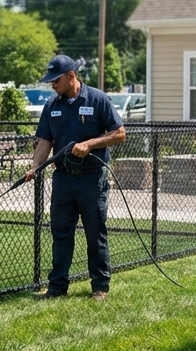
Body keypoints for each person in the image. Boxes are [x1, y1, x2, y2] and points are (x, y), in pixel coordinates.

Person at [23, 54, 126, 300]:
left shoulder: (98, 99)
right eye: (50, 81)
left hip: (92, 179)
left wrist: (89, 144)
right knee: (60, 233)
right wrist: (35, 165)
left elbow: (119, 133)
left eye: (56, 79)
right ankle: (57, 288)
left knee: (95, 233)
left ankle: (100, 287)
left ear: (71, 76)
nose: (52, 84)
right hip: (63, 180)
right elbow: (45, 140)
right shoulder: (52, 106)